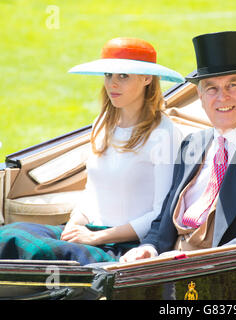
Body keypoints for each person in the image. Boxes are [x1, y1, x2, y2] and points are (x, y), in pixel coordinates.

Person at [120, 31, 236, 262]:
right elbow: (165, 217)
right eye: (211, 88)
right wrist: (150, 247)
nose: (222, 97)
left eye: (232, 85)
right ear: (200, 96)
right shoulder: (192, 144)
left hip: (222, 272)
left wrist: (197, 261)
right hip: (163, 262)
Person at [0, 37, 184, 265]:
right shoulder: (103, 122)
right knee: (8, 235)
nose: (112, 84)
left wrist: (97, 237)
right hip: (89, 233)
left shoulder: (164, 133)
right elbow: (91, 191)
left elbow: (160, 214)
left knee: (38, 252)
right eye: (108, 75)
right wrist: (74, 224)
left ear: (147, 79)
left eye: (123, 76)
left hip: (124, 246)